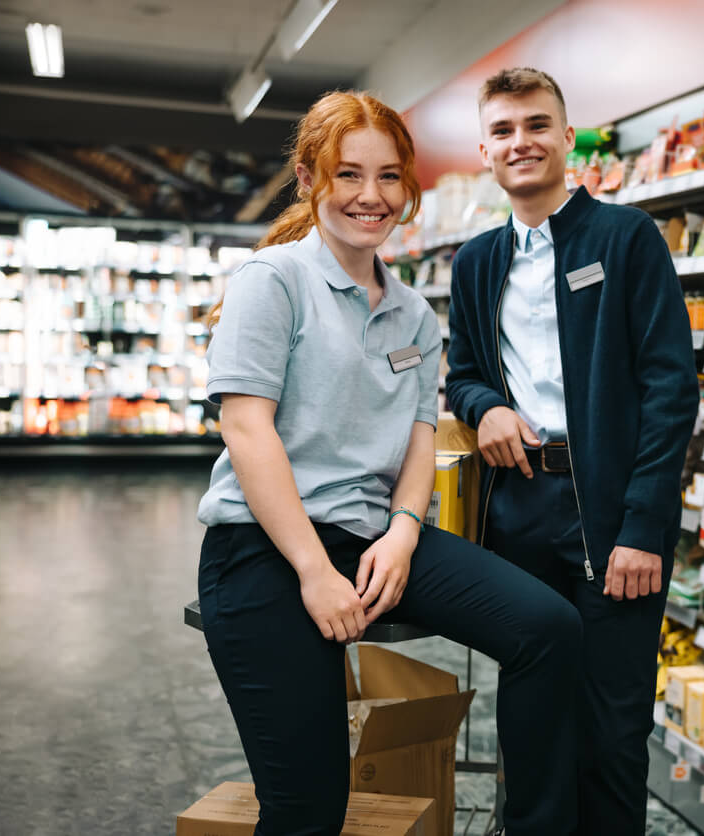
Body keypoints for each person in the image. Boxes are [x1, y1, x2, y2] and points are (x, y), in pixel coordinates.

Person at [195, 90, 582, 836]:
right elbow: (247, 432)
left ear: (408, 185)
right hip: (266, 549)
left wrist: (404, 530)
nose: (370, 197)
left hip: (375, 538)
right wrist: (313, 571)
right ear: (309, 179)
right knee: (309, 806)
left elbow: (416, 437)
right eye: (347, 175)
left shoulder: (413, 313)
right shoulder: (272, 281)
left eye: (388, 177)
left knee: (548, 627)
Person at [446, 68, 699, 834]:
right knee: (530, 713)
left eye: (534, 124)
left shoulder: (625, 238)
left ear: (564, 136)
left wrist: (642, 527)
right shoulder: (475, 261)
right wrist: (484, 405)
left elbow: (668, 387)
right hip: (519, 507)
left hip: (610, 515)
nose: (519, 142)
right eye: (502, 130)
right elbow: (460, 374)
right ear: (484, 150)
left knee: (613, 725)